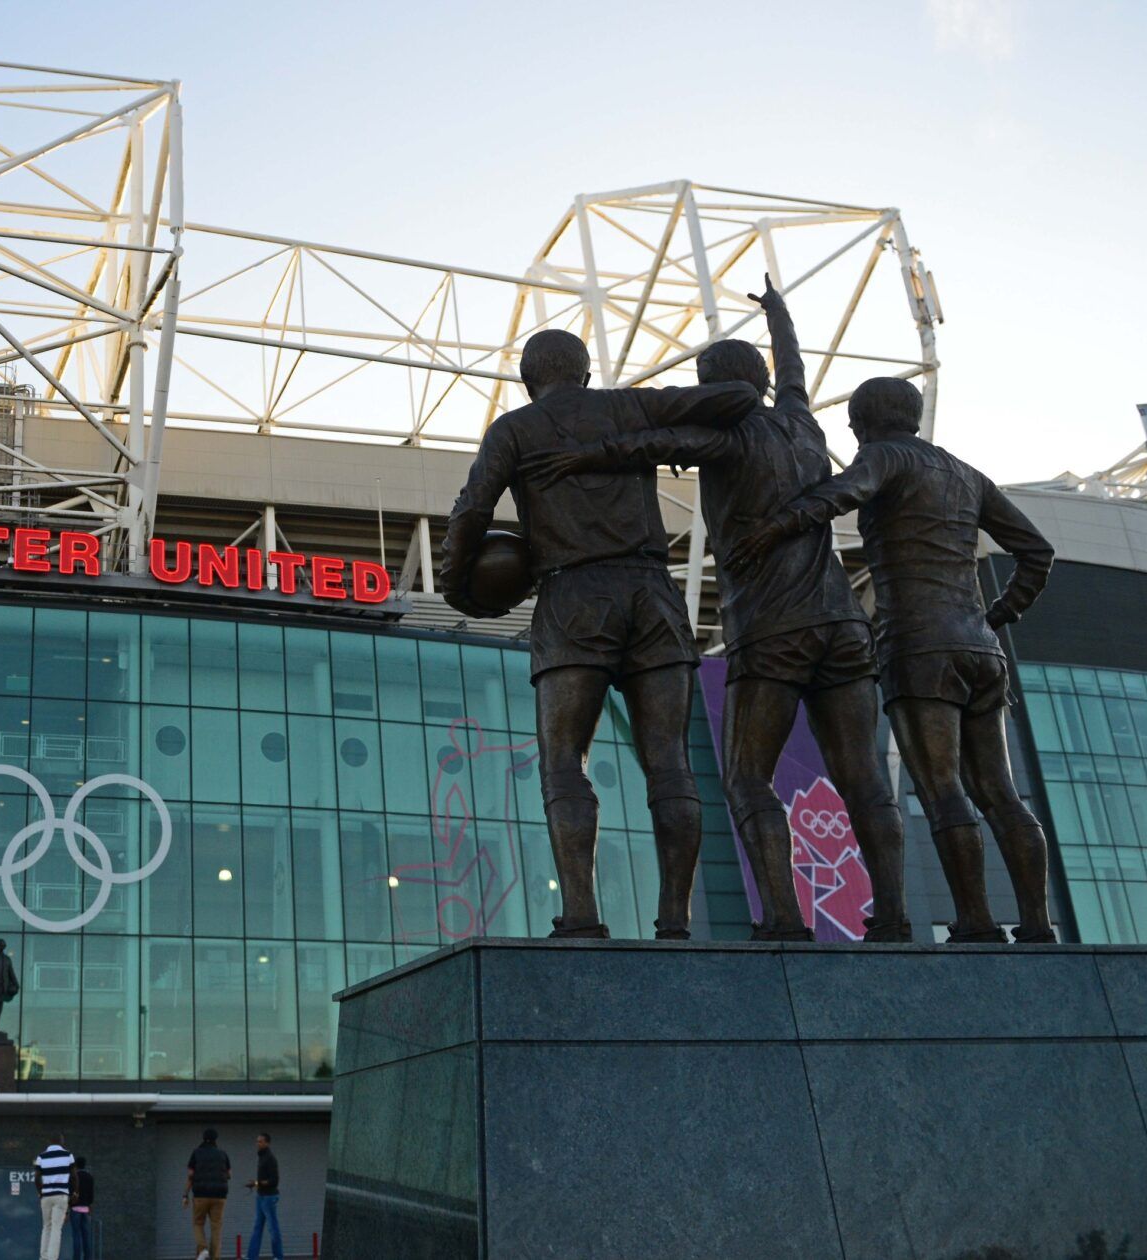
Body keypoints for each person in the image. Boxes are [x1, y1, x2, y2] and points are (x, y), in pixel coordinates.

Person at [529, 277, 909, 941]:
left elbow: (646, 446)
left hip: (773, 630)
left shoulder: (725, 441)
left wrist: (580, 455)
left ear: (713, 391)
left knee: (748, 780)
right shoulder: (802, 420)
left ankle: (785, 920)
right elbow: (793, 369)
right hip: (845, 625)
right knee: (865, 777)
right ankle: (897, 916)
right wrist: (780, 314)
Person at [440, 328, 762, 938]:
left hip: (574, 598)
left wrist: (458, 588)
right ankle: (675, 920)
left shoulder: (513, 429)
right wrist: (642, 440)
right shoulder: (626, 405)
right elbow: (741, 397)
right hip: (652, 595)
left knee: (564, 763)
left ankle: (582, 915)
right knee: (669, 764)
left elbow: (472, 511)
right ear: (586, 374)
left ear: (527, 380)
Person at [736, 375, 1056, 943]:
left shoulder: (884, 458)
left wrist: (773, 528)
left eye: (854, 425)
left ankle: (977, 920)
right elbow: (1037, 551)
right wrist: (1000, 615)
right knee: (1000, 792)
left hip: (920, 647)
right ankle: (1036, 922)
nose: (854, 434)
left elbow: (838, 495)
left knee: (942, 790)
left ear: (864, 423)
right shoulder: (965, 473)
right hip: (981, 649)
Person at [183, 1127, 232, 1260]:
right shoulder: (223, 1153)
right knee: (216, 1227)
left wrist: (185, 1195)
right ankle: (215, 1257)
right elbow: (229, 1175)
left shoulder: (196, 1153)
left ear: (203, 1138)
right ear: (216, 1139)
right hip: (220, 1196)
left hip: (201, 1194)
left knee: (198, 1223)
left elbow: (190, 1175)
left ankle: (203, 1249)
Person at [33, 1136, 76, 1260]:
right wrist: (75, 1193)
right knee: (57, 1228)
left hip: (46, 1196)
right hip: (61, 1195)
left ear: (49, 1142)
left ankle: (43, 1257)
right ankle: (52, 1258)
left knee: (46, 1226)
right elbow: (74, 1176)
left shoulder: (41, 1156)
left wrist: (40, 1192)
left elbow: (36, 1177)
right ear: (62, 1142)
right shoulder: (68, 1155)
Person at [245, 1132, 284, 1260]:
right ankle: (251, 1257)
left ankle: (278, 1256)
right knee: (257, 1228)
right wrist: (256, 1184)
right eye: (257, 1141)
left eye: (261, 1141)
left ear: (267, 1143)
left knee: (273, 1228)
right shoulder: (261, 1157)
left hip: (269, 1197)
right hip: (260, 1196)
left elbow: (274, 1181)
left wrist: (256, 1183)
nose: (258, 1143)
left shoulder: (270, 1158)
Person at [67, 1154, 95, 1260]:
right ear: (85, 1165)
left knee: (76, 1235)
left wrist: (69, 1207)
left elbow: (70, 1193)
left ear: (76, 1165)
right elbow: (91, 1195)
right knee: (86, 1235)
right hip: (86, 1209)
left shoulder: (73, 1177)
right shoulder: (89, 1177)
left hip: (75, 1209)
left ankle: (77, 1258)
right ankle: (88, 1257)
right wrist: (89, 1205)